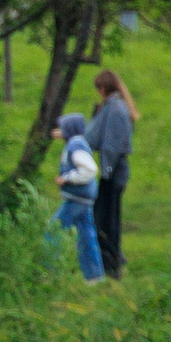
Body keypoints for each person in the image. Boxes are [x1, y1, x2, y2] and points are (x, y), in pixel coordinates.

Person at [86, 68, 138, 280]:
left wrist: (106, 171)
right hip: (113, 171)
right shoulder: (112, 106)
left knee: (108, 219)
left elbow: (113, 144)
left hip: (114, 171)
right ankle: (112, 259)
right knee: (104, 216)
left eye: (98, 88)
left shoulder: (115, 109)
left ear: (104, 88)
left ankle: (112, 263)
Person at [50, 111, 105, 284]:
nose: (59, 131)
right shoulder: (78, 142)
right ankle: (95, 276)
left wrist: (67, 178)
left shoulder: (75, 146)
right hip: (84, 200)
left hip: (76, 199)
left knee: (53, 231)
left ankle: (49, 272)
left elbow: (90, 169)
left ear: (69, 129)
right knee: (86, 237)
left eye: (62, 128)